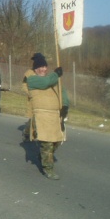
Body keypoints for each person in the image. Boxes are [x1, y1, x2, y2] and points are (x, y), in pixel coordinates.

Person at [25, 52, 69, 180]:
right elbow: (45, 83)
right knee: (47, 143)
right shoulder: (32, 79)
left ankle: (44, 156)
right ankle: (48, 169)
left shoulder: (54, 79)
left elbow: (63, 93)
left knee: (57, 141)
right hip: (41, 116)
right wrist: (56, 74)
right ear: (35, 69)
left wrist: (65, 107)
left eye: (45, 67)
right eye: (40, 67)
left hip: (55, 116)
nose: (43, 69)